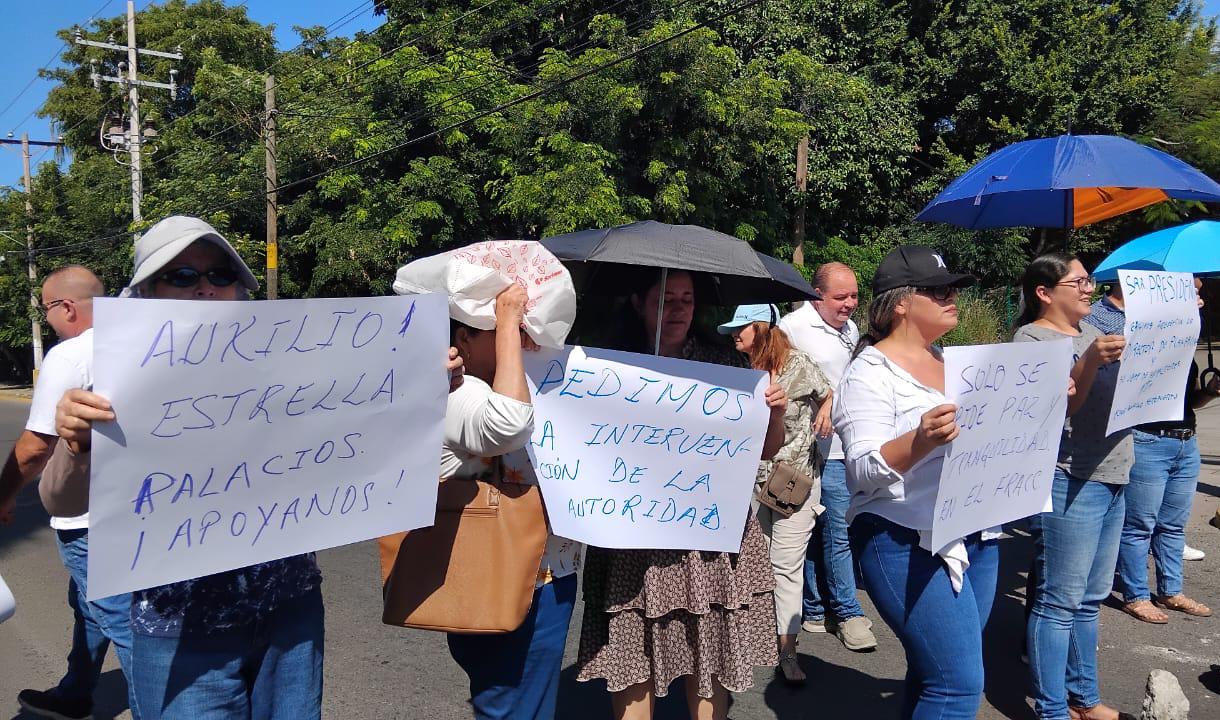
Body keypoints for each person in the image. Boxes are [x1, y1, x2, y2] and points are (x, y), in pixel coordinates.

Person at [53, 216, 464, 719]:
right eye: (181, 276)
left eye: (220, 276)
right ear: (145, 291)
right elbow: (62, 502)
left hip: (289, 614)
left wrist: (423, 387)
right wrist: (75, 446)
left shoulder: (288, 362)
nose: (205, 288)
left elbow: (354, 438)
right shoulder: (113, 382)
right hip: (181, 632)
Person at [576, 269, 787, 720]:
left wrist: (775, 414)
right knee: (631, 646)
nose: (678, 310)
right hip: (631, 538)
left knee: (707, 647)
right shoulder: (604, 367)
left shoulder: (726, 367)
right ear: (637, 302)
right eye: (665, 299)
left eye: (686, 300)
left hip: (706, 537)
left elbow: (765, 451)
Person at [409, 245, 582, 720]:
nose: (523, 338)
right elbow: (508, 425)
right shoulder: (455, 390)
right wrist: (506, 317)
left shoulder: (515, 379)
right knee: (511, 705)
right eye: (505, 331)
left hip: (545, 574)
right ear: (461, 339)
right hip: (500, 574)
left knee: (526, 703)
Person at [834, 245, 1000, 720]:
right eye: (939, 290)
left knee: (934, 672)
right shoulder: (869, 373)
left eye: (953, 289)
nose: (953, 298)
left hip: (975, 533)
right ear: (901, 302)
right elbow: (861, 472)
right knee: (957, 686)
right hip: (905, 539)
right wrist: (921, 439)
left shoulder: (955, 361)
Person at [0, 266, 139, 720]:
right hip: (142, 509)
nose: (48, 319)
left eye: (46, 309)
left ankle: (160, 706)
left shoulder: (71, 355)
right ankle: (76, 692)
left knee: (123, 621)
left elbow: (34, 449)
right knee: (87, 604)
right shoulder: (144, 341)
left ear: (67, 308)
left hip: (88, 519)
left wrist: (2, 496)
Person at [1013, 252, 1129, 720]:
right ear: (1045, 292)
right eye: (1079, 282)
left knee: (1089, 599)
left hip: (1116, 472)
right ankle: (1052, 708)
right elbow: (1061, 410)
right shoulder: (1032, 339)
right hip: (1071, 478)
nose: (1089, 289)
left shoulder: (1093, 335)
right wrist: (1089, 363)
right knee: (1058, 602)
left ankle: (1085, 699)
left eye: (1090, 281)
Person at [1085, 280, 1220, 623]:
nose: (1198, 294)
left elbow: (1186, 400)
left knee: (1174, 525)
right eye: (1189, 289)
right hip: (1147, 441)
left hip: (1185, 440)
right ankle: (1135, 595)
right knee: (1139, 525)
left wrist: (1207, 393)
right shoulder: (1139, 332)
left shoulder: (1181, 335)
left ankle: (1170, 591)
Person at [721, 303, 830, 685]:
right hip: (749, 479)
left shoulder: (798, 363)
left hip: (793, 479)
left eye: (741, 328)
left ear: (762, 328)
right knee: (753, 562)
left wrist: (826, 411)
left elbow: (827, 392)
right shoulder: (736, 369)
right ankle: (753, 637)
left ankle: (787, 651)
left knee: (785, 566)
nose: (734, 335)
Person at [778, 262, 877, 651]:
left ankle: (816, 609)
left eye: (854, 295)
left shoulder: (850, 330)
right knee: (833, 531)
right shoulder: (793, 327)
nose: (851, 303)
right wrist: (822, 401)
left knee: (829, 530)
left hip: (842, 448)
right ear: (817, 295)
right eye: (841, 297)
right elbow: (780, 381)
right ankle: (848, 613)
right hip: (805, 452)